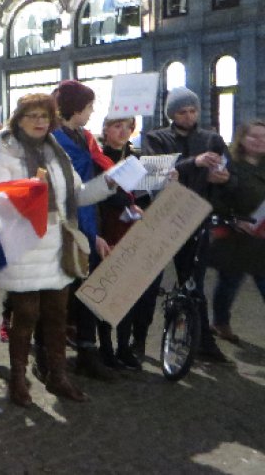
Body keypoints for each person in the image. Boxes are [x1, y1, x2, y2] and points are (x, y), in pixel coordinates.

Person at [0, 93, 115, 407]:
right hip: (23, 245)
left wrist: (110, 183)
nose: (39, 121)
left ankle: (58, 376)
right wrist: (28, 192)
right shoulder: (3, 151)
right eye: (32, 115)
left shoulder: (57, 152)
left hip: (57, 245)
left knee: (58, 314)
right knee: (26, 315)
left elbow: (78, 194)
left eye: (44, 116)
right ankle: (18, 380)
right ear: (19, 120)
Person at [142, 86, 231, 362]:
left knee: (194, 283)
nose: (189, 116)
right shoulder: (156, 138)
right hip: (164, 217)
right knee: (148, 282)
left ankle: (203, 340)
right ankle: (137, 340)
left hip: (197, 218)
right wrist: (195, 162)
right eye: (182, 112)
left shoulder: (212, 139)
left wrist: (225, 179)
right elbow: (153, 173)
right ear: (172, 114)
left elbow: (230, 174)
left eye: (193, 111)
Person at [49, 80, 115, 381]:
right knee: (59, 294)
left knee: (87, 289)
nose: (91, 112)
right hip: (65, 224)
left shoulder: (82, 137)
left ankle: (88, 351)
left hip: (86, 220)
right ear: (75, 108)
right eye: (89, 107)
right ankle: (50, 357)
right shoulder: (55, 141)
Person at [96, 114, 158, 369]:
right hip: (107, 227)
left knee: (128, 290)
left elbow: (143, 195)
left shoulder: (135, 157)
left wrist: (165, 180)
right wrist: (126, 202)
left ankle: (123, 346)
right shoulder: (98, 157)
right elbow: (100, 193)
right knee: (106, 288)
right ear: (106, 129)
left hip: (130, 228)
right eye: (117, 126)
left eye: (128, 127)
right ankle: (105, 347)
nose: (123, 132)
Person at [208, 120, 265, 342]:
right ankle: (221, 322)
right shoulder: (229, 165)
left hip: (261, 237)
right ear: (242, 139)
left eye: (264, 137)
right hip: (236, 236)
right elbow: (216, 199)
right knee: (229, 283)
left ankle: (220, 321)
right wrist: (232, 220)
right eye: (254, 136)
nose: (260, 141)